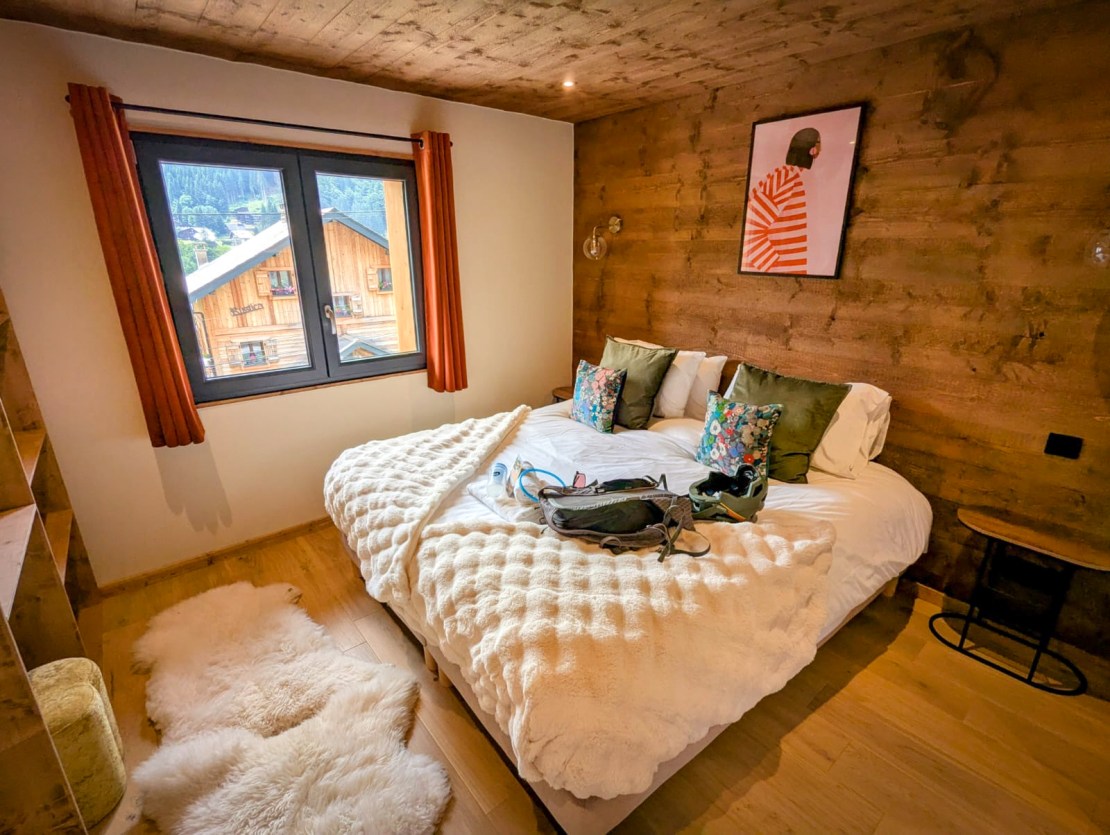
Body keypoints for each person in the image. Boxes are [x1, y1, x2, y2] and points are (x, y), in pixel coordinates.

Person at [741, 128, 821, 274]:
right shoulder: (785, 178)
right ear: (812, 150)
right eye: (818, 143)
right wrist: (774, 267)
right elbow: (752, 226)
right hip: (776, 278)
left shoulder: (790, 178)